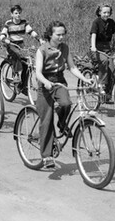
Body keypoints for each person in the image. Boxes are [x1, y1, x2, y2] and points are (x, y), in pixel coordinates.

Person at [35, 21, 93, 170]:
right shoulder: (42, 50)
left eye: (63, 34)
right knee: (46, 120)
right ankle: (47, 156)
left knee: (67, 103)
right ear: (50, 34)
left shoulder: (65, 48)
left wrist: (85, 79)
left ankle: (61, 124)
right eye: (58, 34)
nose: (61, 37)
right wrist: (46, 82)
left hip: (59, 81)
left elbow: (72, 67)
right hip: (45, 84)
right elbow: (38, 73)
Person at [0, 4, 40, 92]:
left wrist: (39, 39)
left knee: (27, 62)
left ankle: (23, 85)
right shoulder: (8, 23)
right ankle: (16, 75)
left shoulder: (24, 22)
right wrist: (5, 39)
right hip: (11, 44)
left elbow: (31, 31)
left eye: (19, 13)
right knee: (17, 53)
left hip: (21, 44)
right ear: (12, 14)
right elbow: (2, 34)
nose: (18, 15)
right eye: (16, 13)